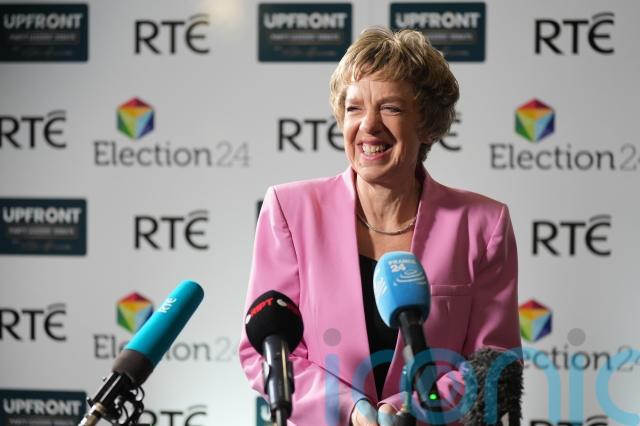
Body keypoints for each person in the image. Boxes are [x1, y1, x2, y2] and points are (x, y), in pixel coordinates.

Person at [239, 27, 521, 425]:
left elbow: (495, 360)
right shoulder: (290, 209)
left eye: (391, 108)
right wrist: (352, 409)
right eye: (354, 108)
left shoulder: (483, 225)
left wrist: (411, 408)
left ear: (426, 124)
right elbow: (264, 351)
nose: (368, 125)